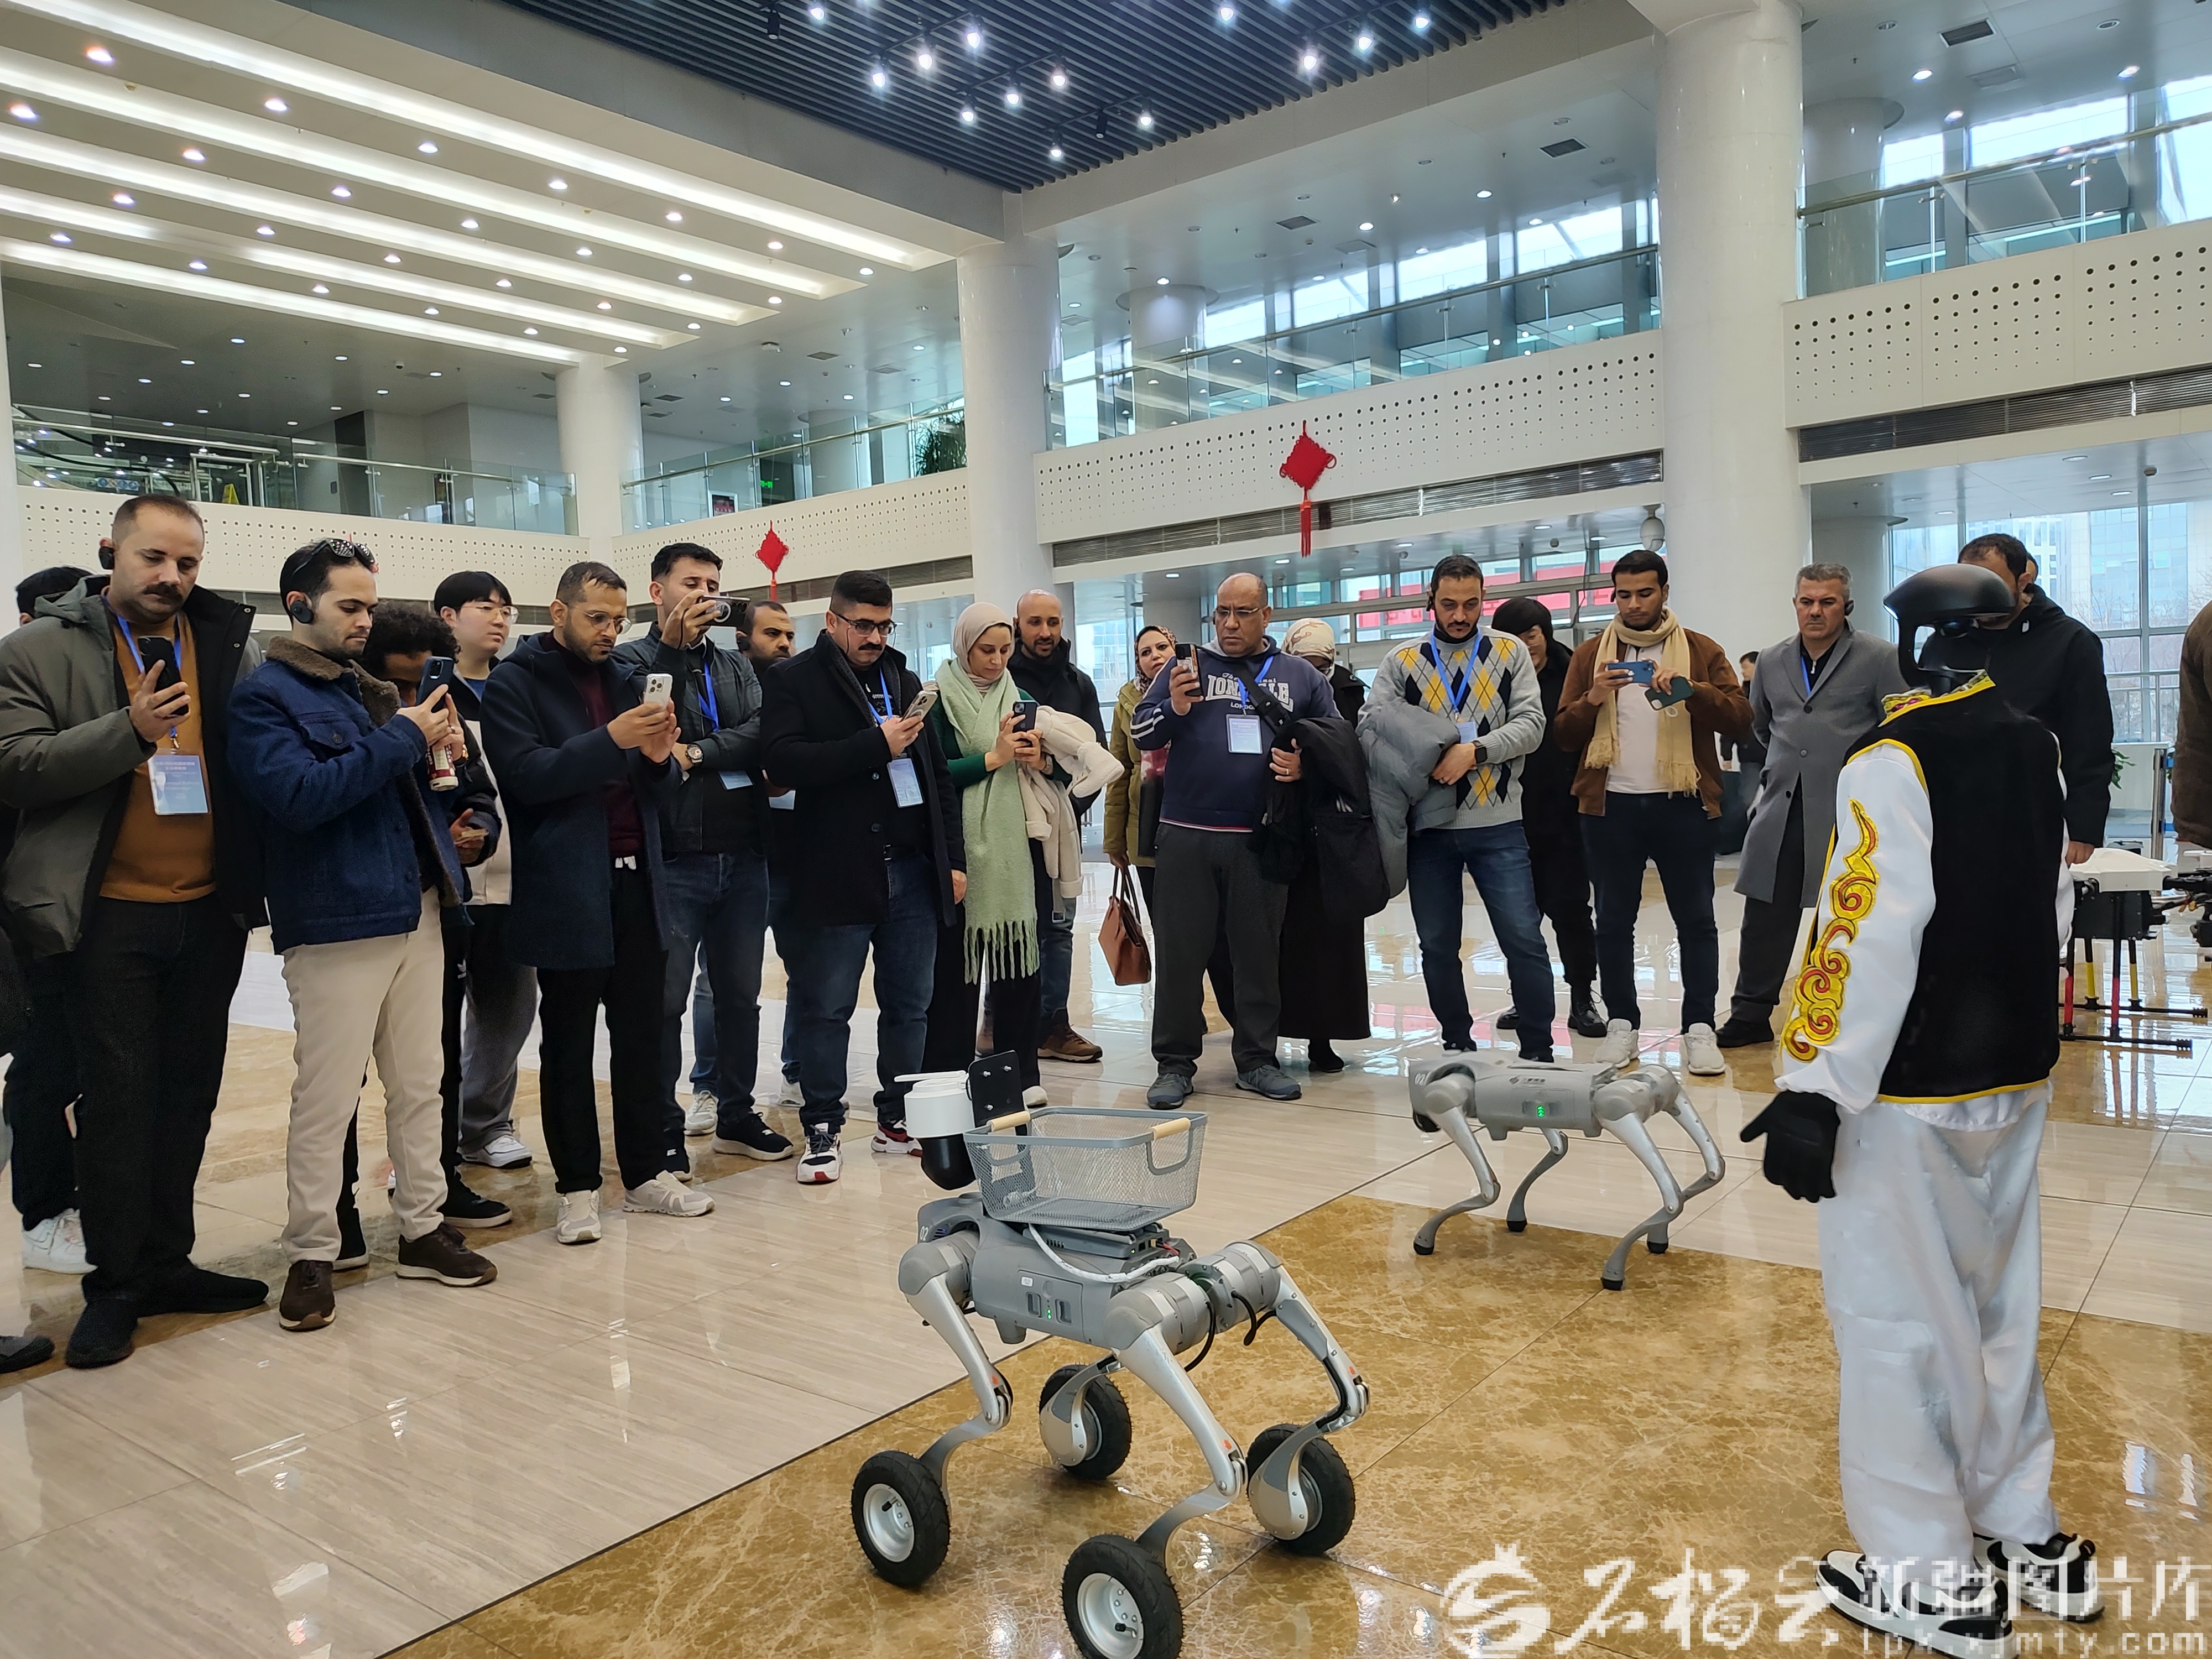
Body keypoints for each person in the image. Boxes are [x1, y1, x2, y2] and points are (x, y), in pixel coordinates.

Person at [1743, 564, 2099, 1658]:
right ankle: (2021, 1526)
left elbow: (1861, 929)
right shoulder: (2032, 747)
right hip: (2012, 1072)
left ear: (1907, 643)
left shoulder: (1891, 757)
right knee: (1995, 1308)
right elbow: (2050, 904)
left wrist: (1812, 1084)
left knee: (1895, 1323)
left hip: (1904, 1089)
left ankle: (1924, 1574)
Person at [0, 495, 269, 1369]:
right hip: (104, 914)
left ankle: (166, 1262)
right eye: (154, 558)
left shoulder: (224, 642)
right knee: (118, 1102)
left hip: (209, 909)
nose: (171, 577)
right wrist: (131, 731)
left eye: (187, 563)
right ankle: (115, 1284)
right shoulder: (36, 650)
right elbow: (14, 768)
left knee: (188, 1094)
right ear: (109, 551)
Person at [229, 537, 500, 1332]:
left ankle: (422, 1227)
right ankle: (313, 1252)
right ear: (298, 605)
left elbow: (401, 793)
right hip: (337, 919)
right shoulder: (264, 697)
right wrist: (406, 737)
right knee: (327, 1096)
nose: (364, 620)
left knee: (421, 1083)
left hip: (419, 905)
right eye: (349, 606)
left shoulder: (368, 690)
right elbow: (299, 797)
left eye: (370, 607)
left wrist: (448, 781)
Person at [482, 561, 709, 1244]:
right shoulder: (514, 681)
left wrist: (660, 758)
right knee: (569, 1044)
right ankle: (578, 1187)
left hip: (641, 879)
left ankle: (644, 1173)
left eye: (618, 620)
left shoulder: (625, 680)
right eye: (596, 618)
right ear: (558, 613)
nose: (611, 632)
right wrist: (614, 740)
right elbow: (526, 777)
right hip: (567, 885)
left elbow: (657, 793)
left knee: (643, 1037)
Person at [759, 570, 964, 1182]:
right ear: (832, 621)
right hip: (835, 871)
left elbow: (936, 778)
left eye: (884, 626)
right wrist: (874, 745)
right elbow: (782, 762)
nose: (875, 637)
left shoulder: (904, 680)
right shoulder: (793, 680)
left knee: (911, 1006)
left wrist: (953, 860)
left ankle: (896, 1117)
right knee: (826, 1008)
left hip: (912, 869)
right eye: (863, 626)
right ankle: (822, 1126)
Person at [613, 544, 790, 1165]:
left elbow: (761, 732)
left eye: (714, 585)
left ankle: (736, 1113)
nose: (706, 595)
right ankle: (663, 1128)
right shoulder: (630, 660)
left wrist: (696, 753)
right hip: (673, 856)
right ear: (657, 591)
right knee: (664, 1002)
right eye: (692, 583)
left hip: (743, 853)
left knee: (740, 996)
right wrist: (672, 651)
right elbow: (651, 728)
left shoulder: (735, 664)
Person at [1133, 572, 1338, 1107]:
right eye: (1222, 612)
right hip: (1187, 834)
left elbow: (1338, 745)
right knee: (1180, 956)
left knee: (1258, 954)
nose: (1229, 623)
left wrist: (1306, 767)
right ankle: (1174, 1063)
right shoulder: (1185, 668)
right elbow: (1140, 732)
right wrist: (1174, 708)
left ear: (1265, 616)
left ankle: (1257, 1059)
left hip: (1261, 836)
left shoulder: (1299, 675)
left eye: (1242, 613)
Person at [1551, 550, 1751, 1078]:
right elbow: (1564, 734)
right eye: (1624, 594)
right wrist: (1594, 697)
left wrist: (1691, 690)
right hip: (1609, 806)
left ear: (1664, 592)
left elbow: (1740, 719)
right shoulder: (1591, 655)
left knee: (1697, 920)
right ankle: (1622, 1024)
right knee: (1613, 921)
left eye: (1645, 593)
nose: (1634, 604)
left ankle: (1699, 1027)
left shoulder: (1700, 650)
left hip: (1683, 804)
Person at [357, 603, 512, 1234]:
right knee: (341, 1077)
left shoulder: (446, 712)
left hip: (437, 905)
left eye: (422, 681)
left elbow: (479, 794)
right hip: (358, 914)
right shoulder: (352, 714)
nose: (412, 697)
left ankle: (440, 1180)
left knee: (435, 1060)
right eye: (398, 684)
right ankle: (336, 1214)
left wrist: (477, 834)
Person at [1367, 556, 1556, 1061]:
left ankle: (1538, 1046)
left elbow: (1532, 725)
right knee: (1436, 944)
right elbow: (1374, 725)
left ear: (1483, 599)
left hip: (1499, 823)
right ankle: (1456, 1041)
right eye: (1449, 604)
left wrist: (1475, 751)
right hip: (1429, 829)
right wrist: (1424, 753)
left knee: (1523, 939)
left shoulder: (1509, 651)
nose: (1460, 615)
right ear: (1430, 599)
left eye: (1471, 604)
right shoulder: (1402, 661)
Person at [1715, 566, 1907, 1051]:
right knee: (1765, 915)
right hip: (1782, 807)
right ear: (1795, 604)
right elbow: (1762, 726)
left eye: (1827, 602)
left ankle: (1847, 1015)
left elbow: (1900, 729)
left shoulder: (1879, 658)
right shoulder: (1772, 659)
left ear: (1847, 607)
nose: (1815, 611)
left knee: (1849, 916)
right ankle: (1751, 1014)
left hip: (1851, 812)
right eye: (1807, 602)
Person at [920, 603, 1052, 1104]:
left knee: (1020, 969)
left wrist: (1040, 759)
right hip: (956, 853)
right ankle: (951, 1081)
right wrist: (992, 759)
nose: (997, 661)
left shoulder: (1021, 698)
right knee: (955, 977)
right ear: (963, 647)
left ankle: (1021, 1077)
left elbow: (1057, 771)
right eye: (986, 651)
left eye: (1005, 650)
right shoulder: (934, 701)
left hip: (1013, 854)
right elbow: (933, 775)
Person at [432, 570, 537, 1172]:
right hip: (446, 880)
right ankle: (429, 1139)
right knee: (435, 1024)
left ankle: (486, 1125)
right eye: (484, 607)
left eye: (506, 609)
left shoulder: (515, 688)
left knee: (509, 1010)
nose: (499, 619)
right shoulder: (427, 690)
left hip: (516, 874)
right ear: (447, 616)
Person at [6, 564, 93, 1276]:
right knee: (43, 1071)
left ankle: (83, 1200)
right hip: (28, 925)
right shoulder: (20, 693)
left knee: (93, 1070)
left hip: (89, 917)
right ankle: (42, 1213)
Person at [1954, 533, 2114, 863]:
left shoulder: (2070, 641)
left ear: (2023, 581)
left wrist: (2083, 830)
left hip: (2039, 819)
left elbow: (2090, 741)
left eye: (1992, 584)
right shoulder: (1945, 642)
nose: (1980, 595)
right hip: (1956, 820)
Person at [1106, 625, 1238, 1022]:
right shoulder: (1128, 702)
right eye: (1145, 652)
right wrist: (1114, 840)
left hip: (1199, 823)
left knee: (1217, 931)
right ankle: (1185, 1018)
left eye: (1162, 647)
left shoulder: (1205, 688)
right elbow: (1119, 770)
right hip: (1146, 829)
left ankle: (1237, 1014)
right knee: (1170, 933)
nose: (1155, 657)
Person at [1489, 597, 1607, 1040]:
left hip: (1565, 815)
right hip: (1510, 816)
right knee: (1518, 918)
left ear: (1546, 633)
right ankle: (1528, 999)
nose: (1525, 646)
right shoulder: (1493, 678)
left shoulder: (1572, 673)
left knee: (1571, 911)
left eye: (1532, 636)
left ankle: (1582, 999)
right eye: (1514, 638)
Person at [1001, 588, 1105, 1063]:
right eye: (1035, 622)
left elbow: (1095, 757)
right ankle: (1000, 1021)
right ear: (1018, 625)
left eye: (1053, 622)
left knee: (1058, 930)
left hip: (1062, 830)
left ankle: (1053, 1025)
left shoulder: (1079, 684)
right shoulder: (1001, 680)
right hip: (1009, 827)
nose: (1045, 632)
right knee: (1010, 927)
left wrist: (1066, 807)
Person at [1277, 619, 1370, 1071]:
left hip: (1334, 837)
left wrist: (1312, 770)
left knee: (1333, 944)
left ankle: (1324, 1037)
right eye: (1304, 664)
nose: (1313, 673)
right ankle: (1268, 1034)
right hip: (1283, 830)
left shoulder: (1351, 695)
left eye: (1321, 665)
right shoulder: (1275, 687)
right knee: (1280, 941)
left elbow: (1357, 762)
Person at [738, 599, 805, 1117]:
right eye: (772, 634)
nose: (784, 643)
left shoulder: (801, 689)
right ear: (744, 640)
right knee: (727, 982)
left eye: (789, 635)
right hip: (742, 848)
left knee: (806, 968)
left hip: (798, 850)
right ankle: (713, 1087)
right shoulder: (729, 688)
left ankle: (798, 1071)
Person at [1716, 650, 1766, 857]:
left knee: (1778, 801)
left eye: (1746, 667)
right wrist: (1726, 755)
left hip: (1775, 756)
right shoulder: (1741, 695)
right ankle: (1728, 842)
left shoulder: (1771, 691)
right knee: (1744, 800)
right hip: (1750, 757)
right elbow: (1730, 724)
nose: (1743, 672)